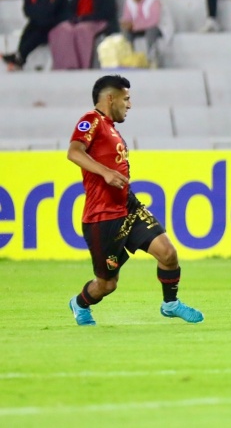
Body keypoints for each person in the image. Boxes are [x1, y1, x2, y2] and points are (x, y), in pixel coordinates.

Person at [66, 74, 204, 326]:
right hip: (103, 216)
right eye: (126, 99)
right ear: (110, 98)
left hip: (127, 206)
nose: (129, 105)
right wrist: (106, 172)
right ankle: (80, 303)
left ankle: (170, 304)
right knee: (107, 285)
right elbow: (74, 151)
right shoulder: (91, 120)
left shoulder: (111, 129)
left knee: (168, 254)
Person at [2, 0, 67, 71]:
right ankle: (19, 56)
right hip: (37, 21)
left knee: (37, 34)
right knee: (27, 33)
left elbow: (54, 8)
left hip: (53, 22)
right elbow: (27, 8)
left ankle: (20, 58)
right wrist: (38, 13)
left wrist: (39, 12)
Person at [49, 0, 118, 70]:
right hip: (80, 21)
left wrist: (85, 18)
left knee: (82, 30)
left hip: (99, 21)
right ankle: (66, 65)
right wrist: (73, 18)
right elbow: (71, 9)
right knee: (61, 30)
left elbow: (107, 12)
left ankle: (83, 65)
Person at [120, 0, 164, 67]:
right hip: (136, 27)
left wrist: (135, 25)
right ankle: (129, 57)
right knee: (125, 31)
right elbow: (127, 16)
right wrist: (126, 23)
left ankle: (151, 58)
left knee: (151, 30)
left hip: (156, 26)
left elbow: (154, 20)